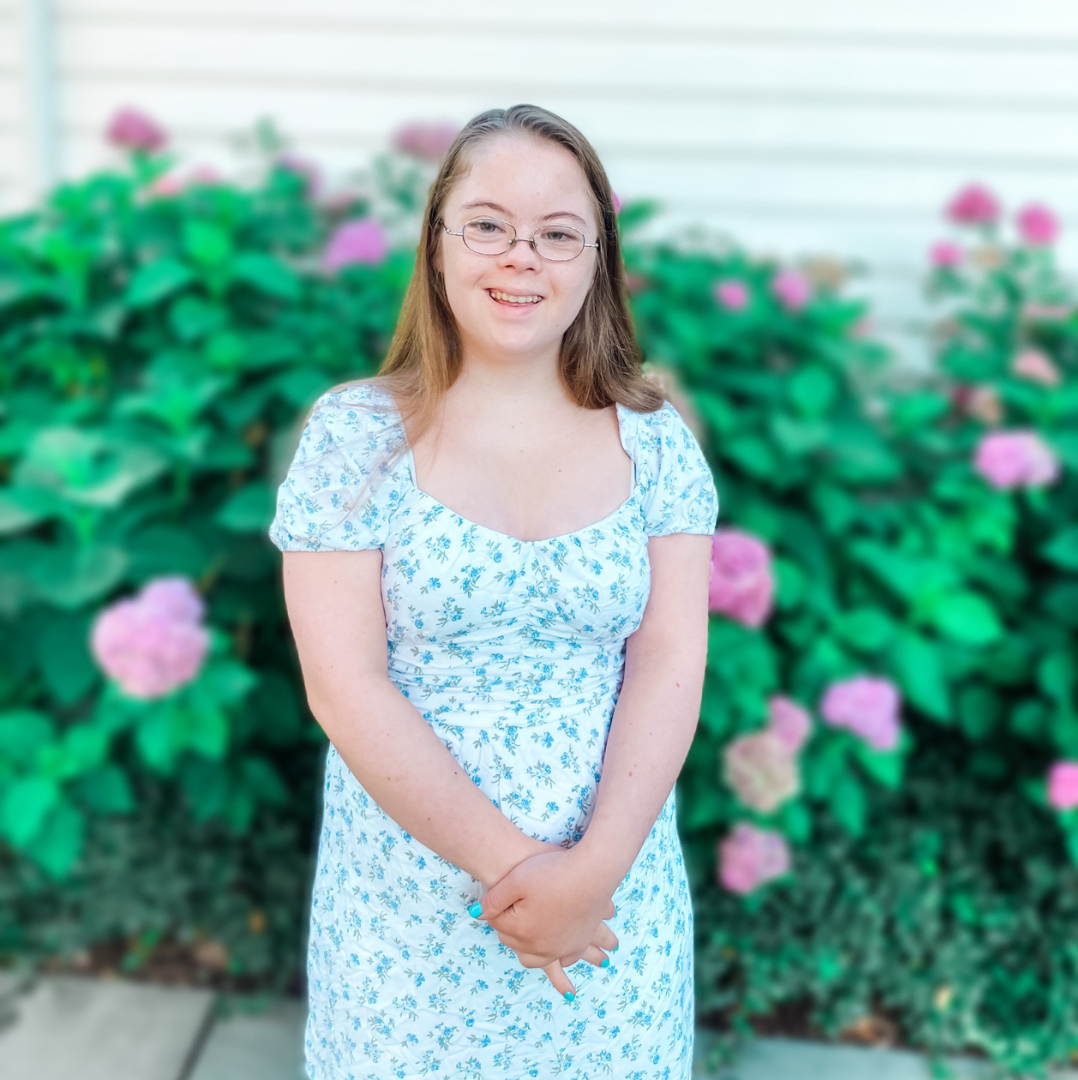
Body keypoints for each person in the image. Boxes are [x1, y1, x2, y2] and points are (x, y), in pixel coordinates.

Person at [268, 103, 719, 1080]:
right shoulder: (355, 440)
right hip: (409, 912)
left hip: (609, 899)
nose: (523, 256)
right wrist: (521, 878)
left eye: (559, 233)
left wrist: (587, 877)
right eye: (487, 224)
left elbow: (672, 661)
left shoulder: (655, 446)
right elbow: (344, 688)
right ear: (437, 244)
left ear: (598, 257)